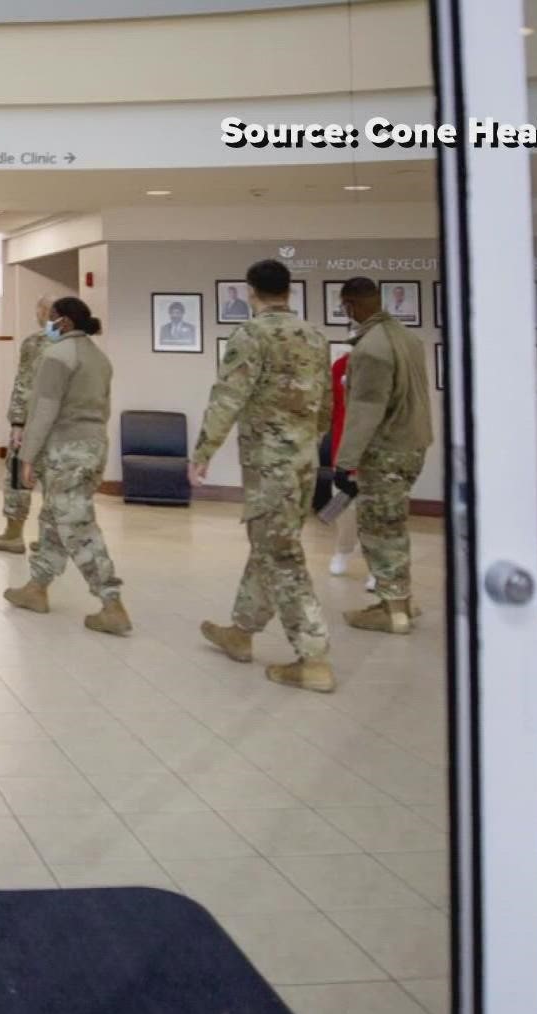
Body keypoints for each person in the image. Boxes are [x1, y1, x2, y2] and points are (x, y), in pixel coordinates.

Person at [190, 259, 337, 693]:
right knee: (269, 546)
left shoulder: (250, 335)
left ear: (251, 291)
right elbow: (327, 401)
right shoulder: (314, 335)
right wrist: (306, 441)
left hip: (270, 465)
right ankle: (241, 631)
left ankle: (313, 657)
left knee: (282, 556)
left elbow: (228, 397)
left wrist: (203, 453)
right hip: (304, 460)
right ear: (288, 291)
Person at [2, 298, 131, 635]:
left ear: (66, 322)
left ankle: (110, 601)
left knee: (77, 524)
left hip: (65, 450)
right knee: (54, 518)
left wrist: (27, 455)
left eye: (54, 318)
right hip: (92, 447)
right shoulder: (97, 357)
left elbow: (45, 408)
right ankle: (36, 587)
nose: (49, 323)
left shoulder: (57, 355)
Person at [334, 277, 434, 634]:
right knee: (395, 525)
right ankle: (401, 600)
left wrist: (345, 462)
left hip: (386, 451)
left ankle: (392, 611)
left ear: (350, 305)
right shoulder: (406, 338)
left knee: (379, 530)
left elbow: (366, 410)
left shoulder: (370, 349)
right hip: (414, 446)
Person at [0, 296, 54, 554]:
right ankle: (51, 540)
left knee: (18, 477)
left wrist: (17, 422)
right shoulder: (81, 345)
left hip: (33, 424)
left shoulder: (35, 343)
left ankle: (13, 534)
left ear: (44, 312)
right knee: (55, 483)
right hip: (63, 428)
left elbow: (24, 385)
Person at [326, 348, 361, 578]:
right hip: (343, 446)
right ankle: (343, 549)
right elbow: (330, 408)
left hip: (377, 450)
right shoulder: (340, 366)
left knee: (374, 509)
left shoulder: (386, 366)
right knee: (341, 505)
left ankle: (378, 566)